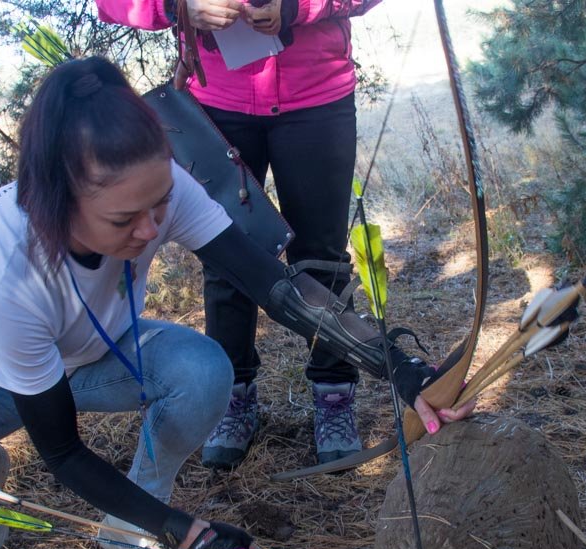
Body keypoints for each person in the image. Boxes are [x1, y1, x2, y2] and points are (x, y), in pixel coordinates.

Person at [0, 56, 469, 549]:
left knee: (203, 373)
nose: (150, 231)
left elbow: (273, 286)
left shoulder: (157, 190)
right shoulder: (4, 269)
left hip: (107, 354)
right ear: (58, 199)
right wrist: (184, 530)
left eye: (160, 204)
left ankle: (136, 518)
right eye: (124, 221)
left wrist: (398, 368)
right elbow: (60, 452)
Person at [96, 0, 382, 469]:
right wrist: (178, 7)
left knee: (322, 257)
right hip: (216, 103)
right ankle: (235, 397)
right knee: (225, 256)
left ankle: (333, 397)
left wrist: (296, 8)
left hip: (317, 99)